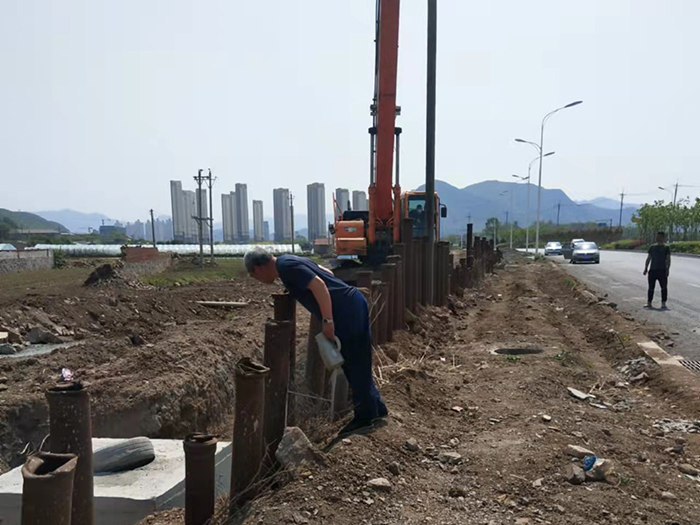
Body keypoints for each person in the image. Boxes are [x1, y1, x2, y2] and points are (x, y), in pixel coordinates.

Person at [244, 250, 387, 435]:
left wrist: (327, 320)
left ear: (257, 269)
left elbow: (319, 285)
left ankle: (366, 417)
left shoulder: (286, 268)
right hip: (351, 304)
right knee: (358, 359)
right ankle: (376, 407)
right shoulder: (288, 261)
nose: (258, 280)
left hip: (346, 311)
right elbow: (326, 272)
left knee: (354, 362)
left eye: (254, 276)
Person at [643, 231, 671, 309]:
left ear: (663, 238)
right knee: (651, 287)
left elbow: (668, 259)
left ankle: (663, 303)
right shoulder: (652, 247)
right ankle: (649, 302)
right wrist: (646, 268)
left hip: (662, 270)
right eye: (657, 236)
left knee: (664, 287)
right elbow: (649, 258)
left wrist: (668, 269)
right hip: (653, 270)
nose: (657, 238)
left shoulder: (666, 248)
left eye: (659, 237)